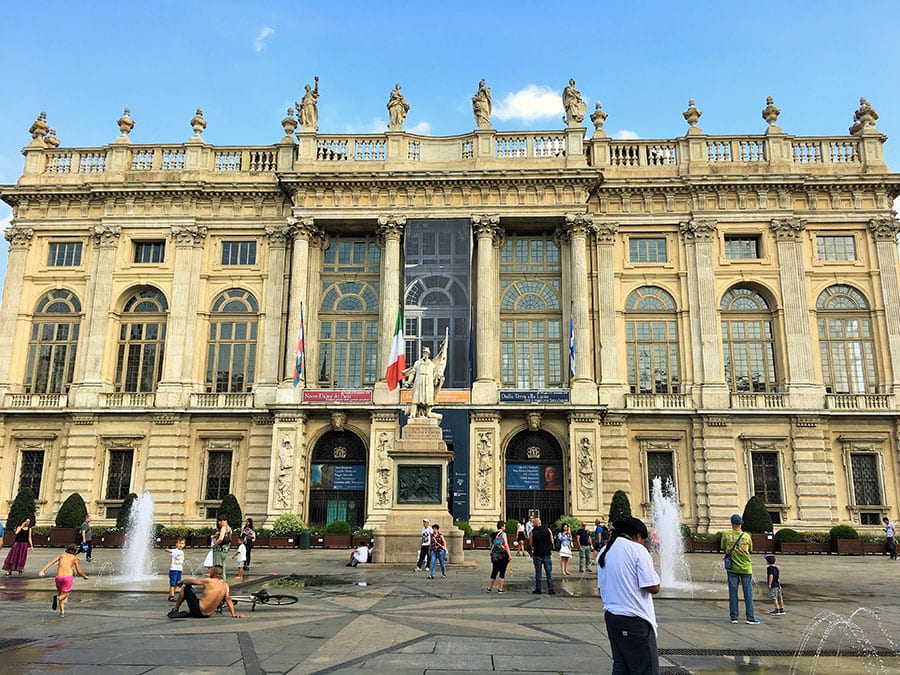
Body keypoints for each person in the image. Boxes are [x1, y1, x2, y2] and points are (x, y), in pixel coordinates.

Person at [596, 517, 661, 674]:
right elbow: (653, 587)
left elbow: (600, 588)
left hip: (612, 616)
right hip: (635, 619)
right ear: (638, 536)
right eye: (643, 540)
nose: (643, 543)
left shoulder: (604, 552)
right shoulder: (637, 550)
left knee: (621, 667)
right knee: (646, 669)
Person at [721, 513, 759, 624]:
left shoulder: (726, 535)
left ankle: (734, 617)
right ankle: (750, 617)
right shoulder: (747, 536)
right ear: (741, 524)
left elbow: (723, 547)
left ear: (732, 523)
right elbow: (750, 550)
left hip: (732, 567)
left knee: (733, 593)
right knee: (748, 593)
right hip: (746, 568)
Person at [168, 565, 243, 619]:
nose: (209, 572)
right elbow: (228, 599)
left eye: (210, 571)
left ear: (214, 573)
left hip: (198, 610)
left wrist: (181, 582)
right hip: (207, 614)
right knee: (198, 600)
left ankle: (175, 609)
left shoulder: (209, 581)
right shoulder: (225, 585)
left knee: (186, 588)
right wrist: (233, 614)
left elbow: (190, 581)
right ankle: (189, 612)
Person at [39, 543, 88, 617]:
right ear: (75, 551)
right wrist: (84, 576)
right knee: (65, 594)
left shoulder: (61, 556)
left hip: (58, 577)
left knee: (61, 593)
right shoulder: (74, 558)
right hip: (67, 578)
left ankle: (62, 612)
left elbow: (51, 563)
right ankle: (57, 598)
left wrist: (43, 570)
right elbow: (79, 571)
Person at [529, 517, 555, 594]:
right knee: (549, 572)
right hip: (547, 554)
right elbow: (552, 540)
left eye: (533, 523)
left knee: (538, 572)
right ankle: (550, 589)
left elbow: (531, 543)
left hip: (537, 554)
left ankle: (538, 588)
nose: (532, 524)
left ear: (536, 523)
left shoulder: (533, 532)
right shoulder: (548, 530)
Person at [486, 520, 511, 592]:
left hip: (495, 555)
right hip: (503, 555)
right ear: (502, 526)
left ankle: (489, 588)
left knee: (494, 571)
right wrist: (509, 555)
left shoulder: (492, 534)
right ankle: (500, 588)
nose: (505, 527)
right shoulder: (503, 534)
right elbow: (506, 545)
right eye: (504, 526)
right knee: (502, 571)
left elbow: (491, 545)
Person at [166, 537, 186, 601]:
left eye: (182, 543)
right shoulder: (175, 550)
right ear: (176, 544)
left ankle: (172, 594)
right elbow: (167, 550)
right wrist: (169, 550)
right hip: (173, 569)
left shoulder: (182, 552)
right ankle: (172, 596)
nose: (180, 545)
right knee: (173, 583)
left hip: (179, 569)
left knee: (177, 583)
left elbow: (181, 562)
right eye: (179, 543)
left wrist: (182, 569)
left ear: (184, 545)